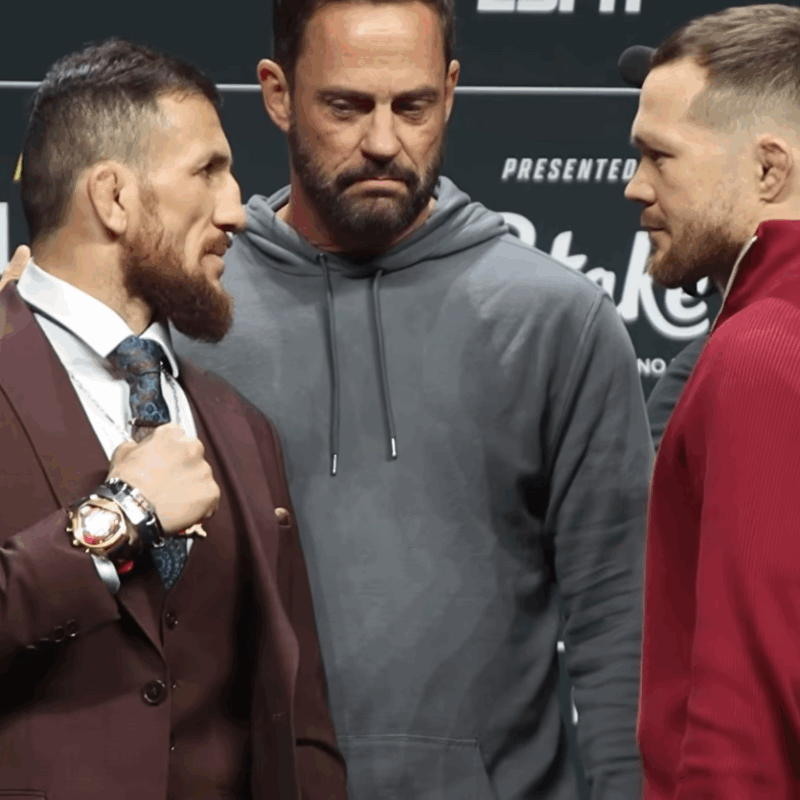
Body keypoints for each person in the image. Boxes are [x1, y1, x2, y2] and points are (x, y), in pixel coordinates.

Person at [177, 2, 653, 797]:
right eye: (346, 106)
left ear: (452, 93)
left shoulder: (554, 319)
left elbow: (620, 620)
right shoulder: (191, 318)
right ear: (277, 94)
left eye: (413, 106)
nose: (382, 141)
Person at [0, 38, 347, 800]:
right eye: (207, 172)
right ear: (114, 198)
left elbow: (300, 721)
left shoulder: (241, 428)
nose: (237, 212)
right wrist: (121, 516)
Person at [624, 4, 800, 796]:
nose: (634, 185)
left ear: (767, 169)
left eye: (659, 156)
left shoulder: (761, 354)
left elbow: (748, 709)